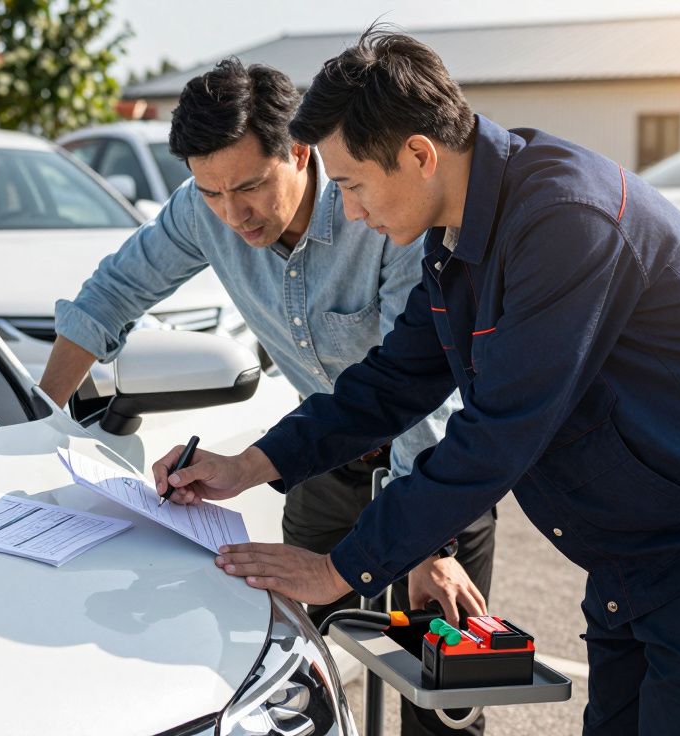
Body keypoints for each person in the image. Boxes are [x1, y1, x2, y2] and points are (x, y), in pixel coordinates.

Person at [155, 29, 680, 736]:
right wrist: (246, 466)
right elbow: (391, 382)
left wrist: (339, 571)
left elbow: (500, 431)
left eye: (352, 185)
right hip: (638, 550)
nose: (349, 212)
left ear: (419, 154)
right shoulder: (456, 239)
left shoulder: (565, 220)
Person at [41, 59, 494, 735]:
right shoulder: (205, 210)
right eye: (212, 192)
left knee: (443, 703)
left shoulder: (381, 212)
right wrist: (40, 424)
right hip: (320, 461)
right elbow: (109, 295)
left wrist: (431, 546)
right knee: (292, 683)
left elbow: (419, 389)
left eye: (249, 186)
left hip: (434, 472)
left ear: (301, 149)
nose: (232, 214)